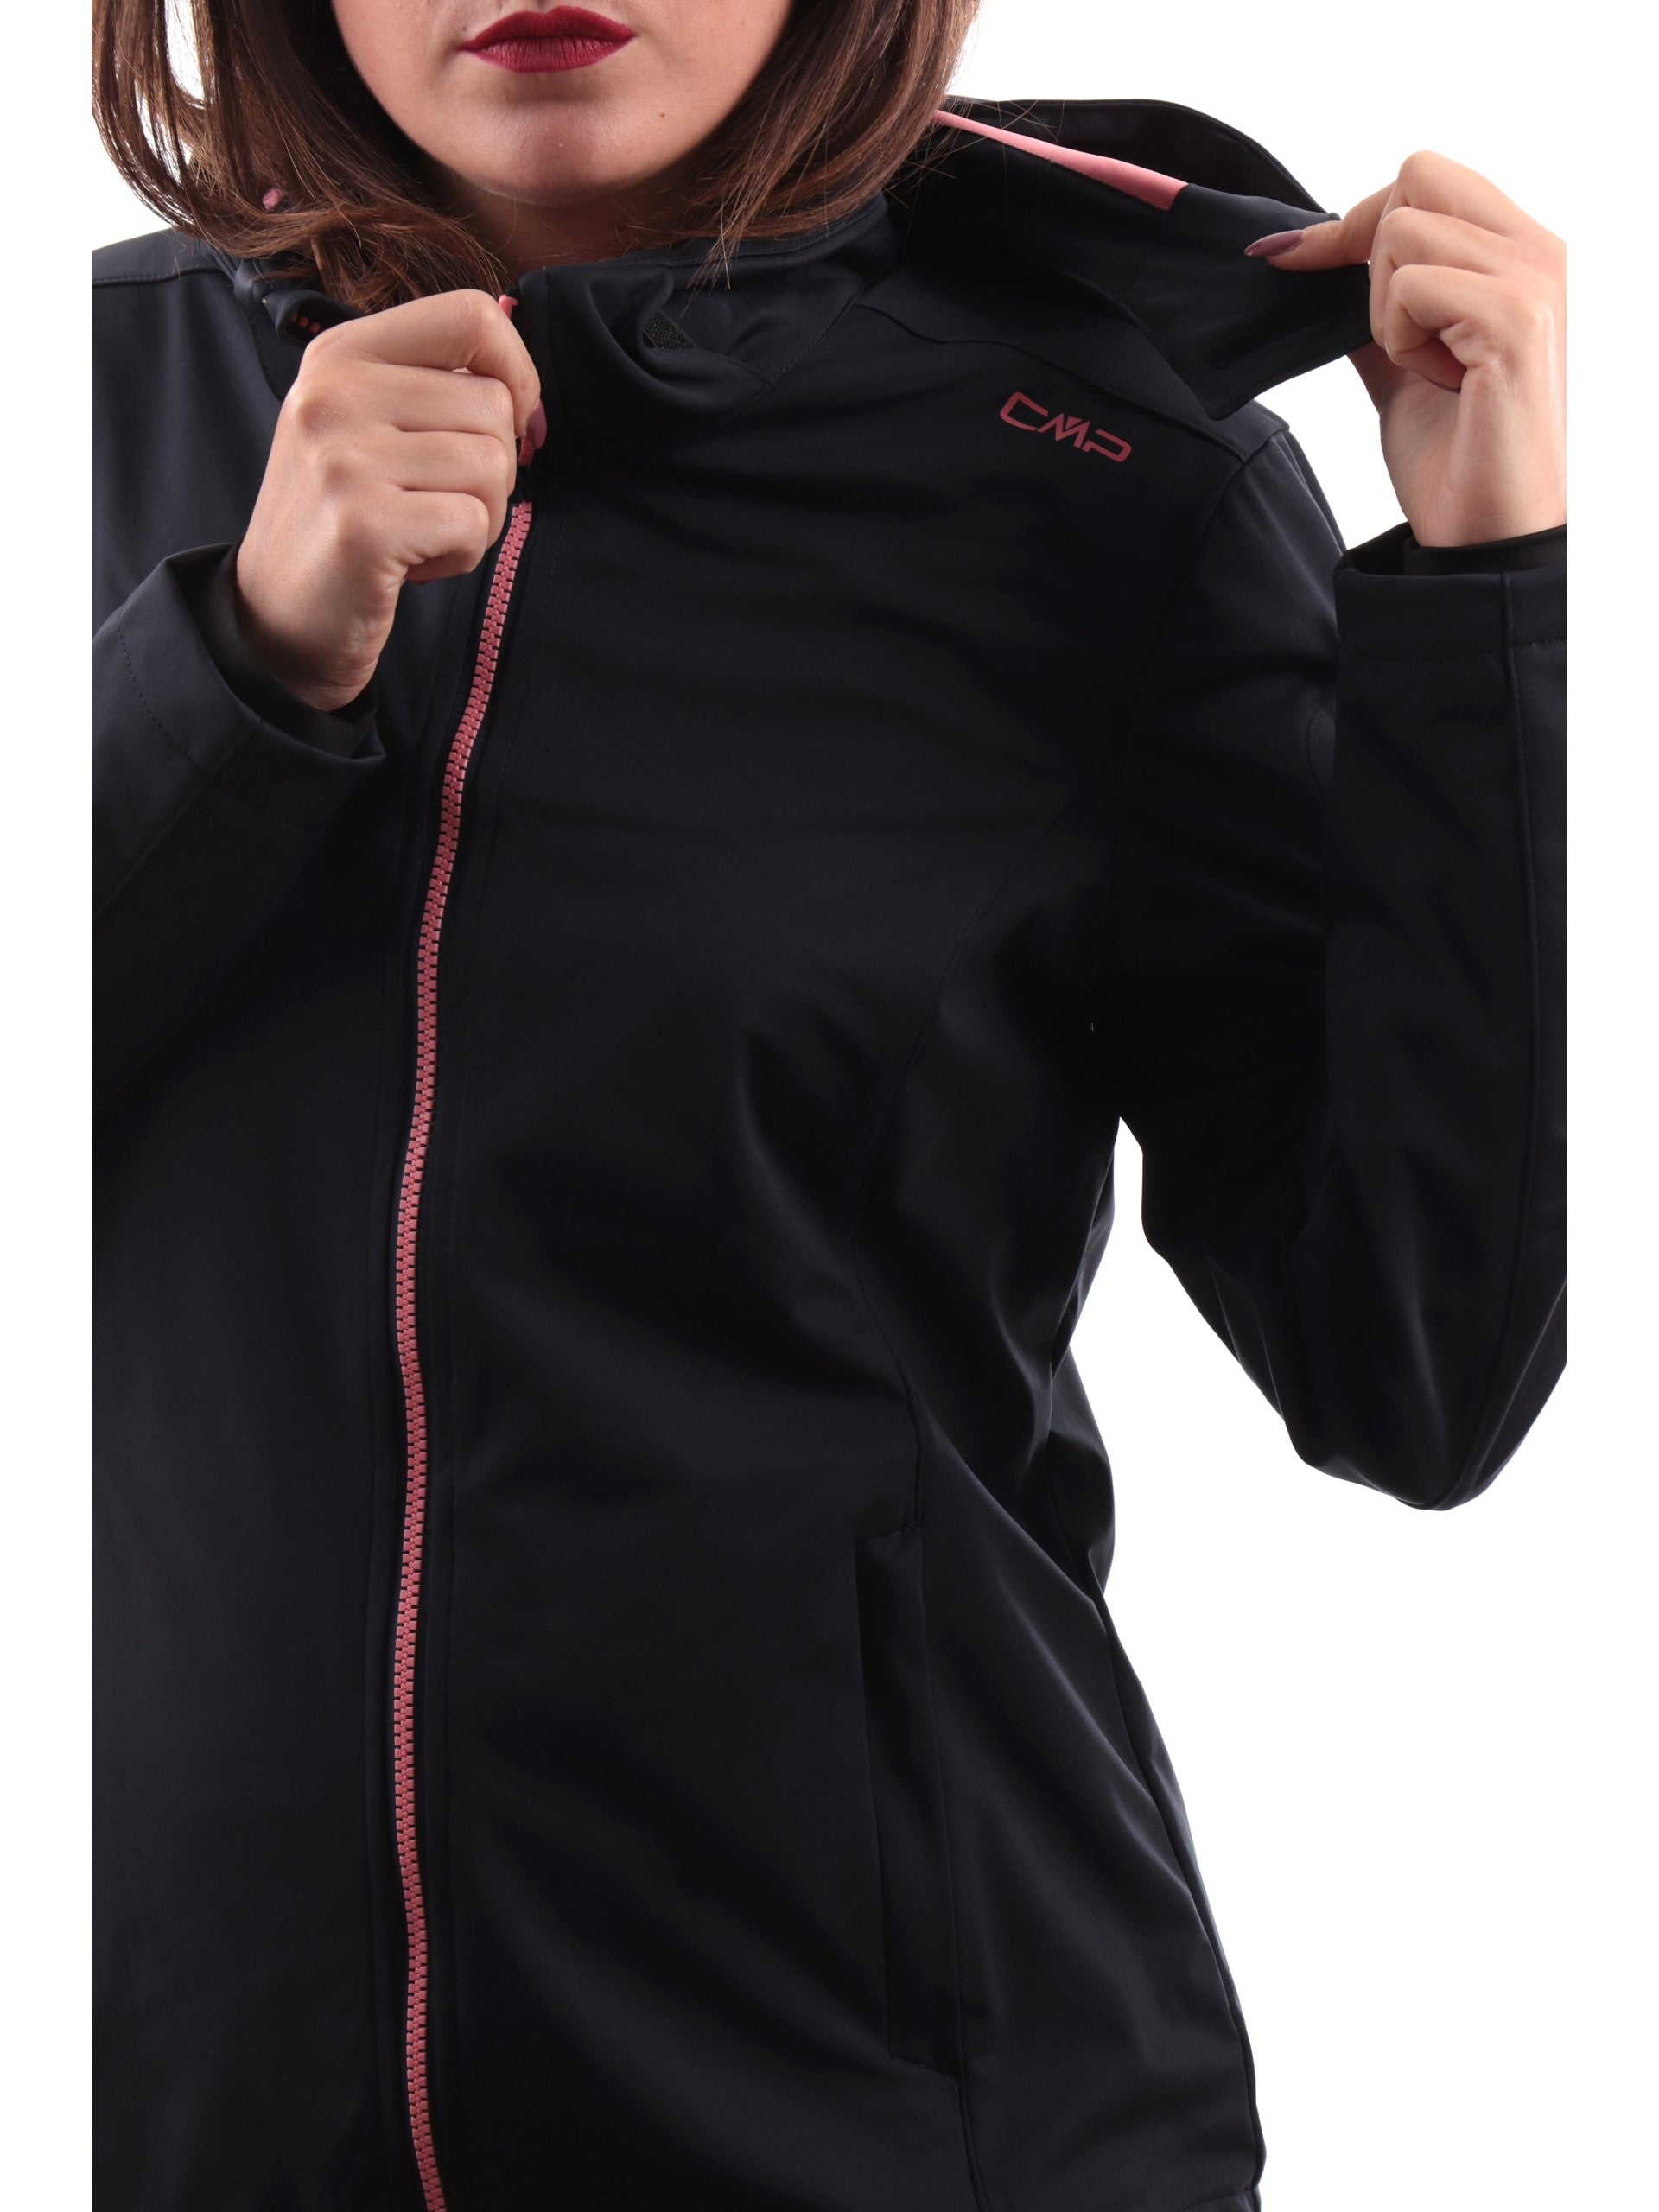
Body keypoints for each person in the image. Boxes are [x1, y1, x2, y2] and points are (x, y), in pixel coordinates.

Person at [91, 2, 1566, 2206]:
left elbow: (1418, 1365)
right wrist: (238, 661)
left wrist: (1491, 604)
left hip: (907, 2117)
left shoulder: (1099, 468)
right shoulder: (75, 402)